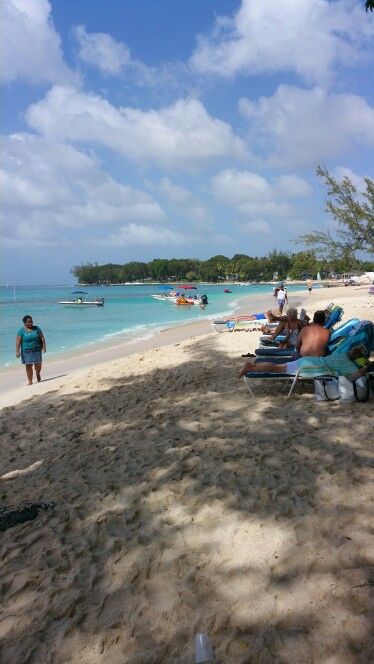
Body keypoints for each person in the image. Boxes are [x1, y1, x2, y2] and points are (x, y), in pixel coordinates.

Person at [239, 346, 370, 379]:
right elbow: (355, 377)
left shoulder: (341, 354)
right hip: (311, 367)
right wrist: (365, 367)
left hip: (308, 361)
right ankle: (251, 368)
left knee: (278, 367)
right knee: (277, 369)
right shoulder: (350, 365)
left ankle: (252, 366)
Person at [16, 315, 46, 385]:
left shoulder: (37, 328)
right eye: (28, 322)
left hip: (37, 349)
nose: (30, 323)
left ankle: (38, 373)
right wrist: (17, 351)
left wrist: (44, 346)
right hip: (27, 351)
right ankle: (30, 381)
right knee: (28, 366)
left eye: (31, 322)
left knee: (38, 364)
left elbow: (42, 337)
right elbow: (18, 342)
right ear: (24, 323)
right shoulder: (21, 331)